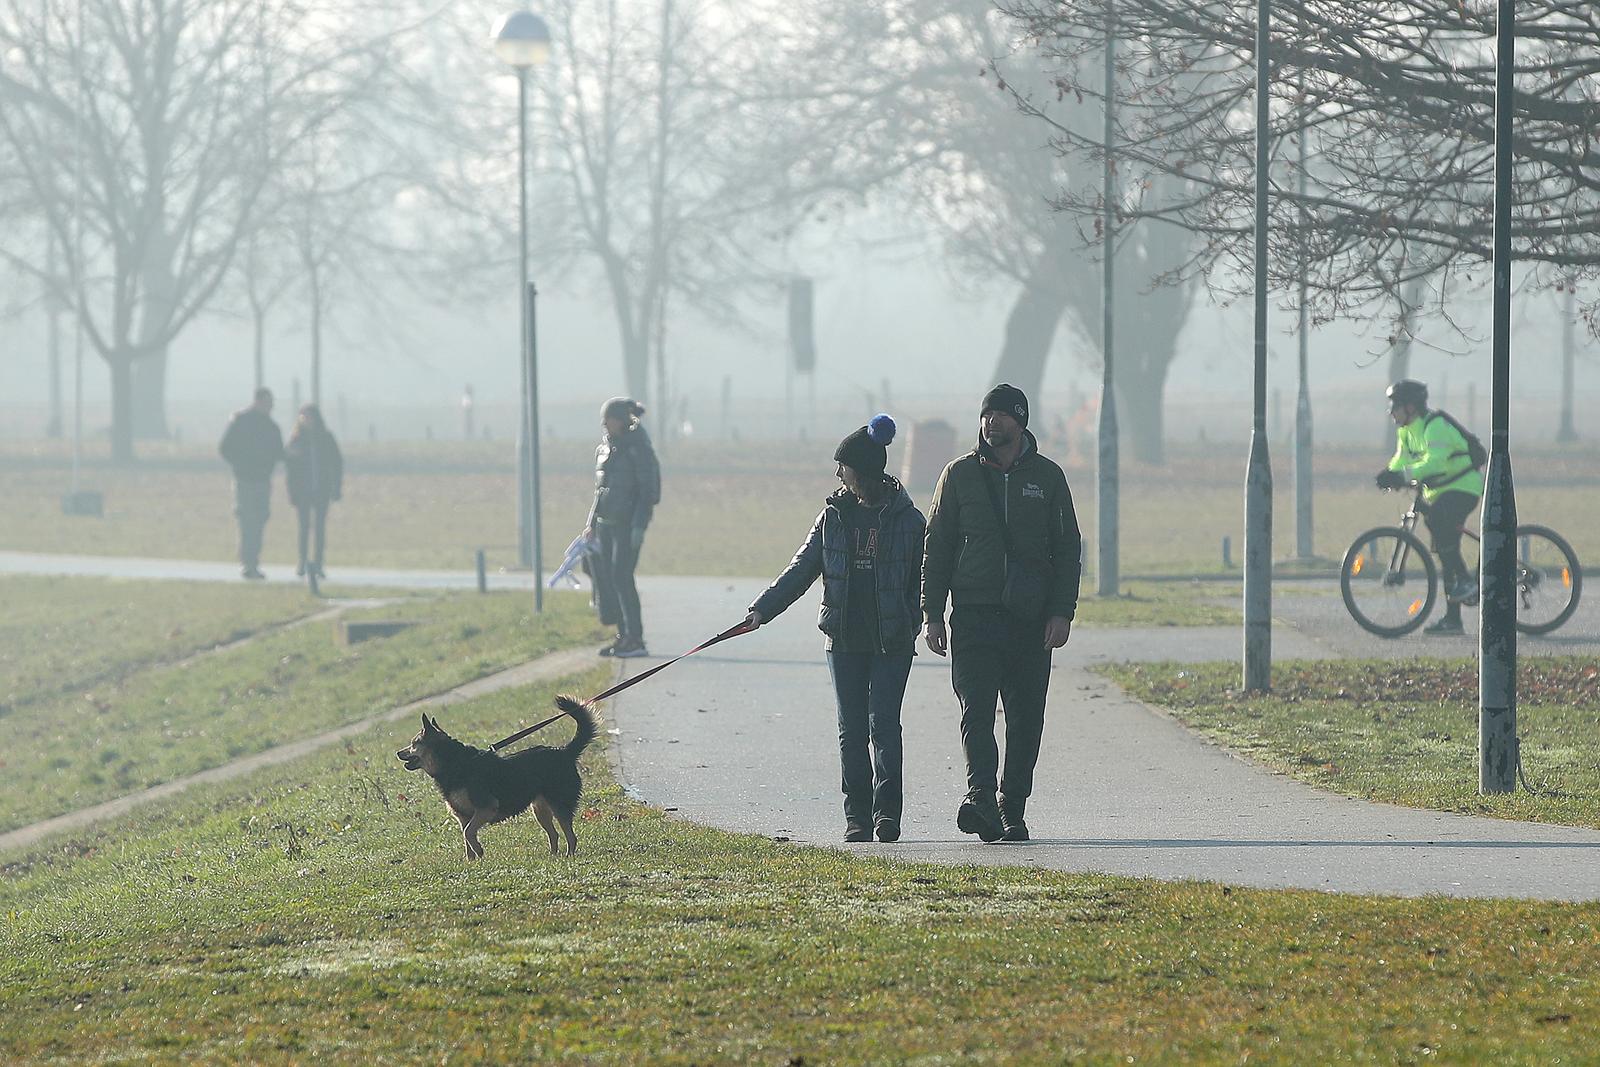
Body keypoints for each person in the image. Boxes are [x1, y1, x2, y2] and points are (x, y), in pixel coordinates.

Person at [742, 415, 925, 844]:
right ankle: (857, 817)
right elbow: (801, 569)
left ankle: (887, 816)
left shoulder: (908, 520)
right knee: (852, 729)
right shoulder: (832, 518)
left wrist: (922, 619)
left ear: (861, 471)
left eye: (842, 467)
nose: (837, 474)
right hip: (843, 641)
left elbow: (927, 576)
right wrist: (761, 610)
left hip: (892, 640)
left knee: (884, 725)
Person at [922, 383, 1082, 843]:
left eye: (1002, 416)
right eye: (987, 416)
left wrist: (1061, 611)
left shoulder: (1048, 478)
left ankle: (1012, 809)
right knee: (975, 711)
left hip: (1031, 620)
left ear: (1022, 421)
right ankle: (981, 799)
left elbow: (1068, 549)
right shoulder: (958, 475)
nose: (993, 423)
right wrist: (932, 612)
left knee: (1026, 719)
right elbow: (938, 547)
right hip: (973, 614)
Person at [1376, 378, 1485, 635]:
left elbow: (1435, 463)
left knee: (1437, 524)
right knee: (1445, 551)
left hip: (1463, 488)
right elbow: (1401, 460)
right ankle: (1453, 620)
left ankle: (1468, 582)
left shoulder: (1435, 426)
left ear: (1411, 407)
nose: (1391, 412)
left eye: (1395, 406)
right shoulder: (1406, 431)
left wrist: (1402, 476)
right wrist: (1387, 474)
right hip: (1439, 492)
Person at [585, 397, 661, 658]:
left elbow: (648, 492)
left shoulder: (638, 450)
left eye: (609, 418)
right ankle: (622, 636)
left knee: (622, 577)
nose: (604, 424)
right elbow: (600, 490)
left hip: (627, 526)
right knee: (607, 577)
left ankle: (635, 638)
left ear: (622, 420)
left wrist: (639, 527)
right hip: (606, 525)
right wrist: (591, 524)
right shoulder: (607, 449)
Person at [218, 387, 284, 580]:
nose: (270, 407)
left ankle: (254, 559)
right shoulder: (240, 421)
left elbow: (278, 452)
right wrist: (240, 464)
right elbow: (224, 448)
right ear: (258, 401)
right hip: (244, 480)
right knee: (247, 520)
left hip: (263, 481)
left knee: (260, 519)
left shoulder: (271, 427)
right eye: (267, 403)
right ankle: (248, 562)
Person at [283, 403, 344, 579]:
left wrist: (336, 487)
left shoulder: (326, 438)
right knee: (303, 527)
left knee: (319, 527)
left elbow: (337, 463)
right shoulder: (296, 440)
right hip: (303, 491)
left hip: (322, 489)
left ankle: (318, 564)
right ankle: (302, 562)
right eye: (303, 417)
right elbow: (290, 469)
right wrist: (291, 491)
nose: (306, 420)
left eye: (309, 416)